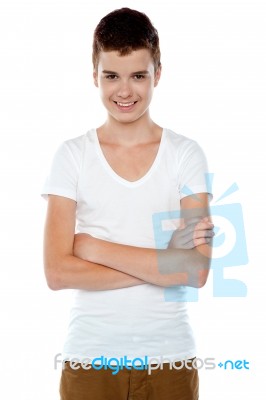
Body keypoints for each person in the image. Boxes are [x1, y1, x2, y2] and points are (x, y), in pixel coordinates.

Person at [42, 7, 214, 400]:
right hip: (89, 361)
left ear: (158, 73)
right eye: (111, 76)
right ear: (94, 77)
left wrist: (92, 249)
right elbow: (56, 272)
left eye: (138, 75)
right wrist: (161, 265)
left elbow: (195, 271)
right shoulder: (71, 156)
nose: (124, 91)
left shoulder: (185, 154)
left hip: (170, 361)